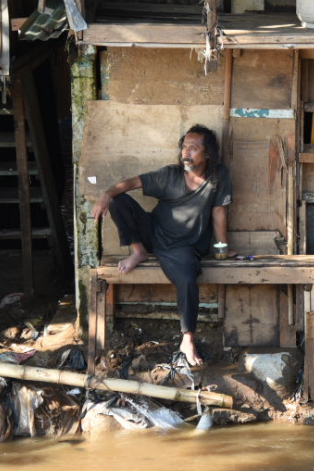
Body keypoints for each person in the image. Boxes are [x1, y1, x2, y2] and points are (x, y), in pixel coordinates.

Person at [90, 125, 232, 368]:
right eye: (184, 147)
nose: (186, 153)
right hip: (153, 234)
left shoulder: (219, 176)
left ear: (208, 153)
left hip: (183, 247)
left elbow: (219, 212)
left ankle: (187, 339)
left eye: (193, 148)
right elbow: (130, 183)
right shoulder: (169, 175)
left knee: (187, 278)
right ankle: (138, 251)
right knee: (117, 201)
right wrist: (106, 195)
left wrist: (222, 249)